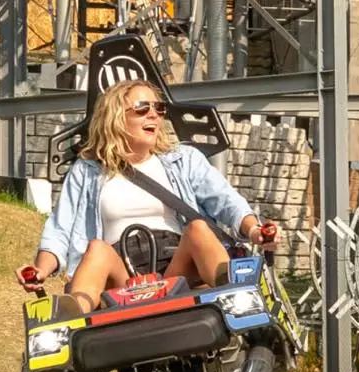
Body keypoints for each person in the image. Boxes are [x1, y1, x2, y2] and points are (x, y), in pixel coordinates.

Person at [18, 78, 278, 313]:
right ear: (116, 117)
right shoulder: (87, 173)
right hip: (121, 274)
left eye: (159, 109)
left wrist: (254, 230)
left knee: (198, 228)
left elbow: (225, 201)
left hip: (176, 267)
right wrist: (40, 270)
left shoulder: (183, 160)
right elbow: (59, 231)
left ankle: (234, 290)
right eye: (143, 108)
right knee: (96, 248)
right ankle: (74, 311)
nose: (154, 114)